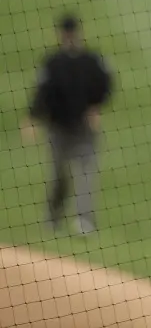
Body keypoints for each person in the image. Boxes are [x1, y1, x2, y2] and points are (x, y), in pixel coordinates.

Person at [21, 13, 114, 235]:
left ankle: (84, 221)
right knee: (59, 177)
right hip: (58, 128)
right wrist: (32, 119)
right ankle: (53, 218)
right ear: (62, 35)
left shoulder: (92, 60)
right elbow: (41, 94)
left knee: (85, 174)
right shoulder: (52, 63)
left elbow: (106, 84)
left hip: (84, 128)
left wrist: (95, 107)